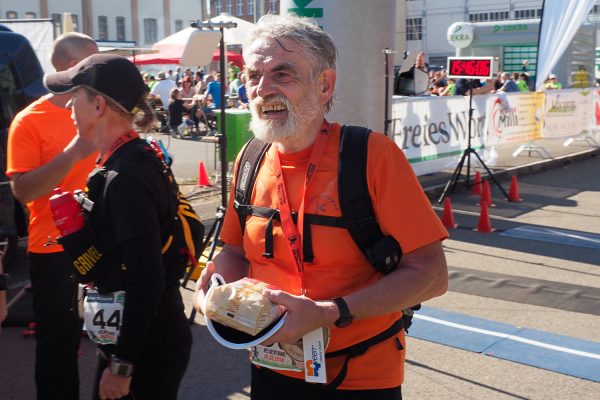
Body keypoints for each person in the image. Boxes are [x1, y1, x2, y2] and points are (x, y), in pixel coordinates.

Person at [193, 14, 448, 399]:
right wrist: (214, 288)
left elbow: (431, 275)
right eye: (253, 76)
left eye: (283, 74)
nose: (262, 89)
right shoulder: (251, 157)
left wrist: (329, 312)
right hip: (269, 363)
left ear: (325, 84)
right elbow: (233, 252)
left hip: (360, 375)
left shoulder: (372, 156)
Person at [44, 53, 193, 400]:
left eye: (74, 97)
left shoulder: (127, 177)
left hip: (145, 346)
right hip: (134, 336)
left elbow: (146, 279)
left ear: (98, 105)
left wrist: (123, 365)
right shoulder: (133, 157)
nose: (68, 107)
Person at [6, 32, 99, 399]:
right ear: (64, 67)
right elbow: (24, 191)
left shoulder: (103, 108)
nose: (98, 69)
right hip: (55, 249)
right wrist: (73, 153)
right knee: (58, 347)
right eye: (89, 63)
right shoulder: (30, 120)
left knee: (118, 337)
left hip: (108, 240)